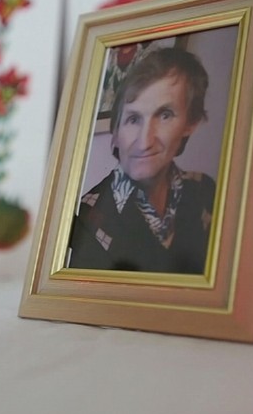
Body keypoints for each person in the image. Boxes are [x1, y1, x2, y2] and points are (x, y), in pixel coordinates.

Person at [68, 46, 215, 274]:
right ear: (116, 133)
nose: (145, 142)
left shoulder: (204, 190)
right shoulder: (85, 221)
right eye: (133, 119)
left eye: (164, 115)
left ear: (191, 123)